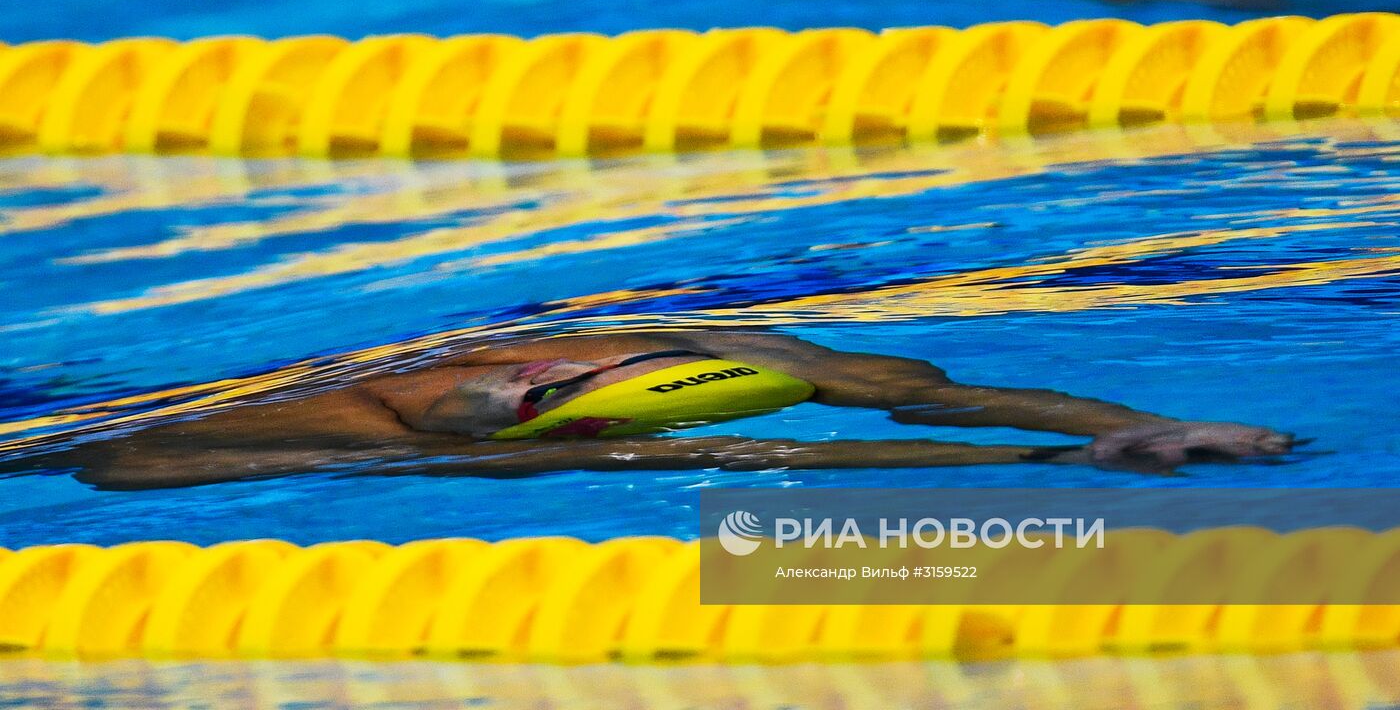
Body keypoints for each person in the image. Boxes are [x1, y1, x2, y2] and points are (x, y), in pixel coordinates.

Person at [18, 330, 1294, 489]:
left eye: (547, 399)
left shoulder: (709, 347)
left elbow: (930, 400)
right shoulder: (362, 419)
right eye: (536, 387)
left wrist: (1106, 427)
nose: (530, 392)